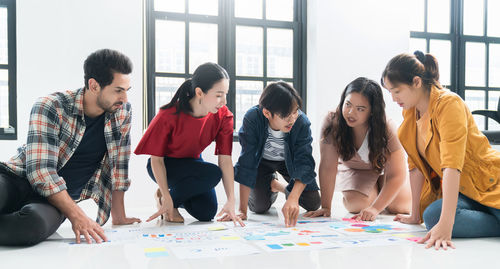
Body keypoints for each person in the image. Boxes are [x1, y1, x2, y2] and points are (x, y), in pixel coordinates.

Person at [0, 49, 140, 246]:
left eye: (127, 90)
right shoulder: (51, 106)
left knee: (31, 227)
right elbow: (41, 171)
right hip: (17, 179)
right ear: (94, 85)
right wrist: (79, 216)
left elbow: (119, 165)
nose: (125, 99)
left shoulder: (122, 112)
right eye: (118, 90)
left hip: (55, 200)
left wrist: (119, 216)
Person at [382, 51, 500, 250]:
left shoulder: (449, 104)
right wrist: (414, 214)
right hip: (466, 191)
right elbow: (416, 168)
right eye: (390, 93)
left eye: (397, 91)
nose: (393, 99)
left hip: (489, 182)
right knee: (432, 216)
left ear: (416, 82)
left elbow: (451, 165)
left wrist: (447, 225)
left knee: (444, 220)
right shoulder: (411, 112)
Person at [134, 62, 243, 226]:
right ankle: (168, 199)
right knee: (213, 173)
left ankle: (166, 198)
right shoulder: (168, 114)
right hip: (166, 166)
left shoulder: (224, 116)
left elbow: (225, 159)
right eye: (219, 95)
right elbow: (156, 160)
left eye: (226, 94)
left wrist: (231, 200)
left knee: (206, 213)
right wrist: (167, 191)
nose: (224, 101)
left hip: (193, 164)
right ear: (199, 92)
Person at [305, 77, 411, 221]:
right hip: (356, 171)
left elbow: (397, 174)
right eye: (348, 105)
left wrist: (375, 208)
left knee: (400, 207)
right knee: (359, 205)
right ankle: (371, 194)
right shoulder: (332, 121)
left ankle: (380, 189)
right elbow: (328, 167)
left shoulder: (387, 127)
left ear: (372, 111)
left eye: (360, 109)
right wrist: (326, 207)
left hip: (385, 171)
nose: (350, 113)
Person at [232, 81, 320, 227]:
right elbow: (247, 161)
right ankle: (272, 183)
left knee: (313, 203)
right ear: (267, 113)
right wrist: (242, 210)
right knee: (258, 207)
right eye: (286, 115)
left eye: (295, 111)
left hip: (289, 162)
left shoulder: (301, 122)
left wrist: (292, 198)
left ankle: (277, 185)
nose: (292, 118)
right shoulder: (252, 118)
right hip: (262, 163)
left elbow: (304, 163)